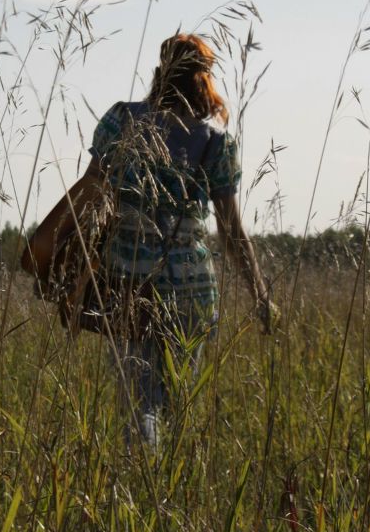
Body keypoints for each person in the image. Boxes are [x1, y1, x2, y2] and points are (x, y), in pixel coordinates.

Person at [26, 34, 271, 447]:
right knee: (177, 407)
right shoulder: (216, 144)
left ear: (160, 72)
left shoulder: (122, 121)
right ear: (204, 81)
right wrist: (260, 295)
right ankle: (168, 480)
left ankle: (139, 472)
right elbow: (232, 233)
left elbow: (89, 195)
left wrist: (67, 262)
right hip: (193, 292)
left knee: (139, 406)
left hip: (129, 283)